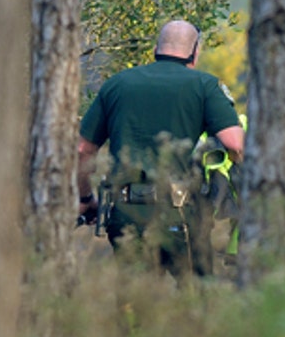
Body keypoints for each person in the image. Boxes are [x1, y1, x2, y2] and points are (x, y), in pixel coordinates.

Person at [77, 20, 245, 277]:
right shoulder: (205, 86)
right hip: (181, 214)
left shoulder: (117, 84)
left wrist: (86, 199)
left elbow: (82, 151)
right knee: (194, 300)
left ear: (156, 48)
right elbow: (236, 145)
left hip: (125, 213)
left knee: (134, 304)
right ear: (195, 51)